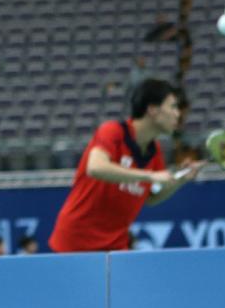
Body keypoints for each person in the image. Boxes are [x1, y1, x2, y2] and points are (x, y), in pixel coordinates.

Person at [48, 79, 201, 253]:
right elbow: (95, 167)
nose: (178, 114)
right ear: (152, 110)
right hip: (75, 242)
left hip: (115, 246)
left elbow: (151, 197)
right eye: (173, 107)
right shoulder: (113, 132)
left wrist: (180, 180)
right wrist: (148, 176)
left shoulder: (154, 151)